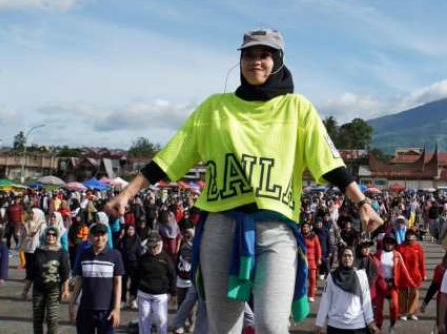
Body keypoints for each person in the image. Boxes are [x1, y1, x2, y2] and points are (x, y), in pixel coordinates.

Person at [105, 28, 382, 334]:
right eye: (249, 55)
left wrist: (362, 203)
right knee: (223, 327)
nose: (256, 61)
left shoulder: (297, 108)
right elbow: (170, 158)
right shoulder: (214, 108)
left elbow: (329, 163)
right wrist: (127, 193)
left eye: (264, 55)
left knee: (271, 324)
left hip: (276, 228)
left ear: (277, 60)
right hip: (221, 225)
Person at [69, 223, 125, 333]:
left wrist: (116, 309)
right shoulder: (84, 254)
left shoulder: (115, 255)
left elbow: (118, 283)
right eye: (96, 235)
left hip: (106, 311)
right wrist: (71, 304)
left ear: (107, 237)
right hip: (85, 309)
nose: (100, 238)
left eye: (103, 235)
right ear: (90, 237)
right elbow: (79, 280)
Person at [315, 246, 379, 334]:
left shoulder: (361, 275)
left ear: (354, 258)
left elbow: (366, 300)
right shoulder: (332, 276)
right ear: (340, 258)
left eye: (350, 255)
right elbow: (325, 300)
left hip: (357, 325)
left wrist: (370, 322)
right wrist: (319, 324)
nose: (347, 258)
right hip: (335, 325)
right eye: (344, 255)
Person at [22, 225, 71, 334]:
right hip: (38, 289)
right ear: (45, 236)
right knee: (37, 318)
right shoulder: (38, 251)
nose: (51, 237)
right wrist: (25, 290)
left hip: (54, 289)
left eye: (53, 235)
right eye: (48, 234)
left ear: (57, 236)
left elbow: (65, 273)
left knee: (52, 318)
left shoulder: (62, 253)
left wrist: (66, 290)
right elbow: (31, 273)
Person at [135, 231, 176, 334]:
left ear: (160, 244)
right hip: (144, 294)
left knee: (161, 320)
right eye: (150, 247)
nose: (152, 249)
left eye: (155, 246)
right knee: (144, 320)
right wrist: (132, 293)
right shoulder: (143, 258)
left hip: (160, 296)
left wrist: (174, 293)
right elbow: (136, 276)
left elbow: (172, 276)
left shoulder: (166, 259)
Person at [374, 233, 414, 333]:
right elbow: (372, 269)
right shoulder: (378, 254)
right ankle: (378, 326)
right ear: (384, 242)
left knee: (395, 306)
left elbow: (404, 270)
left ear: (394, 243)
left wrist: (412, 282)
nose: (389, 244)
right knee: (379, 308)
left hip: (392, 285)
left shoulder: (397, 254)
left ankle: (392, 325)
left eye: (391, 242)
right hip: (379, 284)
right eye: (387, 241)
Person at [421, 241, 447, 331]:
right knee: (443, 327)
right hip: (443, 303)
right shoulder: (440, 268)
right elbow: (434, 286)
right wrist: (425, 303)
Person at [397, 228, 426, 320]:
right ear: (406, 236)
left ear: (415, 236)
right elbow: (396, 262)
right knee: (402, 294)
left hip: (415, 275)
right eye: (408, 234)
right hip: (403, 275)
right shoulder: (400, 247)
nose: (410, 236)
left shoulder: (418, 247)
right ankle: (402, 313)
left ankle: (411, 312)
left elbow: (422, 262)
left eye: (412, 234)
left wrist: (423, 273)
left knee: (414, 294)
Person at [118, 223, 143, 310]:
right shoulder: (122, 240)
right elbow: (119, 251)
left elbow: (139, 252)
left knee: (134, 283)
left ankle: (132, 300)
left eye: (132, 229)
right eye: (129, 229)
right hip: (124, 263)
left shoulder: (137, 239)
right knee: (123, 283)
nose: (130, 231)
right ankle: (123, 300)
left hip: (134, 264)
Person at [303, 221, 323, 302]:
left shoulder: (314, 236)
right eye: (303, 227)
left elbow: (318, 248)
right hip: (302, 260)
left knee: (312, 278)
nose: (305, 229)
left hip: (312, 261)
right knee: (303, 279)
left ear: (309, 228)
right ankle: (303, 295)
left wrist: (319, 258)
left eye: (306, 227)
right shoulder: (300, 236)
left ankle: (311, 295)